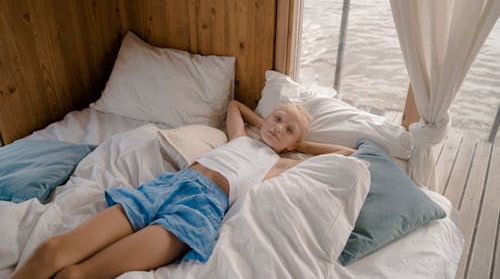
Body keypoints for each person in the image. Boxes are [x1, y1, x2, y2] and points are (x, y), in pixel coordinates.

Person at [9, 100, 355, 279]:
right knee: (50, 251)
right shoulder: (239, 137)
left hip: (196, 212)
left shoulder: (277, 165)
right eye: (278, 118)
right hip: (165, 187)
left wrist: (300, 146)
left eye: (289, 129)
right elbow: (234, 105)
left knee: (78, 276)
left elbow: (346, 155)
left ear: (295, 143)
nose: (279, 127)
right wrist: (266, 121)